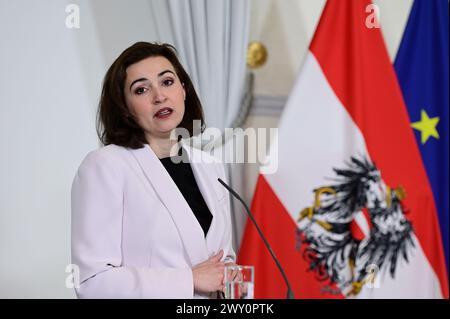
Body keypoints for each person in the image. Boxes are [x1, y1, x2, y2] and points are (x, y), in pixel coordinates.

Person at [71, 42, 235, 299]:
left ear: (183, 90)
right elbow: (92, 282)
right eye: (141, 89)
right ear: (125, 108)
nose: (159, 96)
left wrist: (230, 274)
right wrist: (188, 280)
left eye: (167, 82)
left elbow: (221, 259)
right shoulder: (106, 166)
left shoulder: (211, 165)